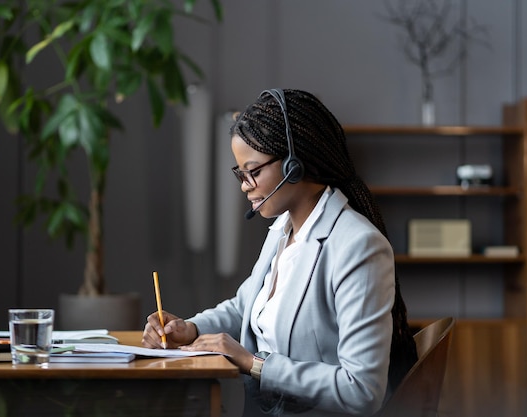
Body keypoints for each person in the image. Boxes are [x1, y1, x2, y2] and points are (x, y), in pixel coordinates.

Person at [143, 89, 418, 416]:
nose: (244, 184)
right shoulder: (284, 230)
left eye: (253, 171)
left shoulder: (358, 247)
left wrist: (253, 363)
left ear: (294, 165)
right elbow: (245, 306)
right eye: (239, 173)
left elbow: (361, 390)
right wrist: (190, 329)